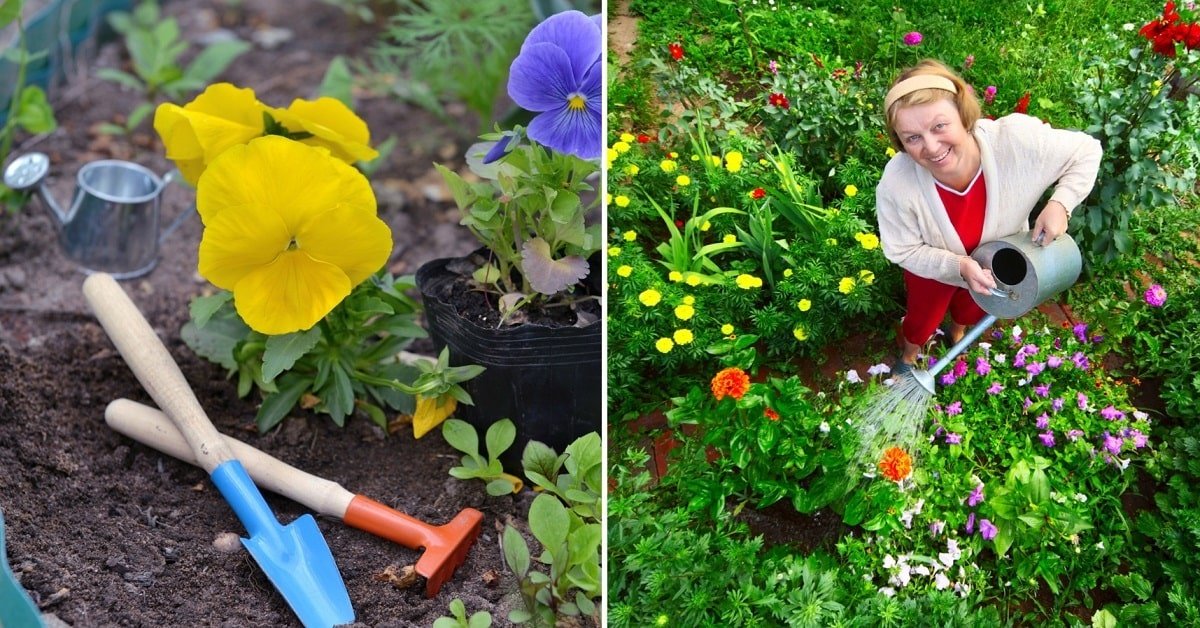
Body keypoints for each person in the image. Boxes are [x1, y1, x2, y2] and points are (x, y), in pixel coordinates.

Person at [875, 59, 1102, 374]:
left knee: (973, 306)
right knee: (923, 316)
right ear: (900, 142)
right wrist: (957, 266)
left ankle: (957, 334)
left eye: (940, 126)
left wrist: (1061, 203)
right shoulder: (898, 182)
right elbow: (903, 249)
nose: (931, 146)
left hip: (992, 257)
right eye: (912, 137)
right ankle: (910, 352)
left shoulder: (1014, 141)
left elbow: (1086, 151)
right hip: (933, 264)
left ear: (963, 113)